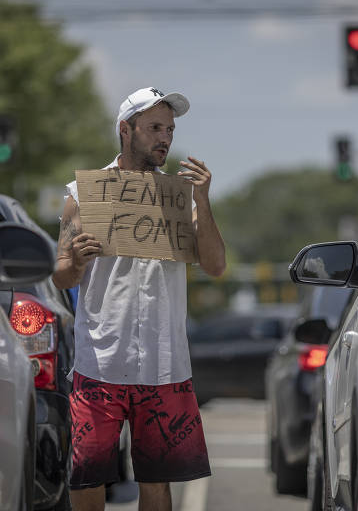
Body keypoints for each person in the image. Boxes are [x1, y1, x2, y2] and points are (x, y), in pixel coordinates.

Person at [52, 86, 226, 511]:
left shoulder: (181, 198)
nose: (164, 137)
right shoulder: (83, 194)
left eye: (168, 128)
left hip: (164, 365)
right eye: (153, 128)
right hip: (100, 363)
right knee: (87, 478)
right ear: (125, 130)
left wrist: (202, 198)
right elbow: (60, 275)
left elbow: (217, 266)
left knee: (158, 483)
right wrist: (75, 260)